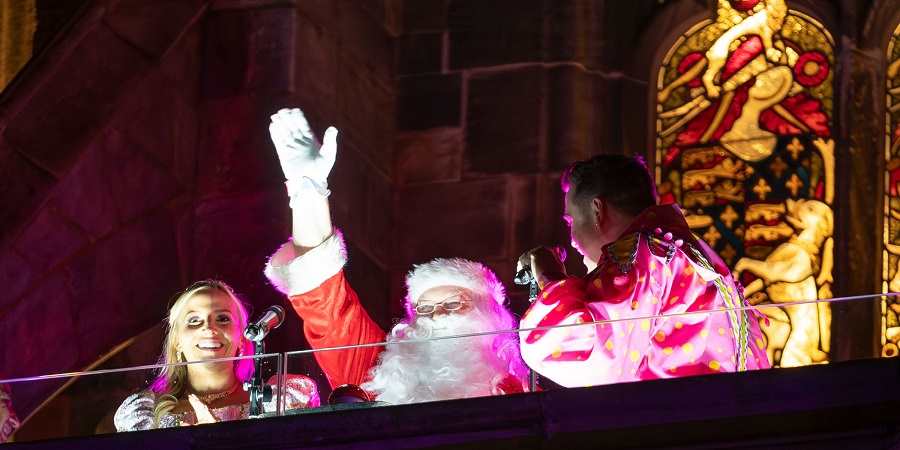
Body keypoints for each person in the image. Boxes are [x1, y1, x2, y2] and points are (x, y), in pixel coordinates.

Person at [264, 108, 529, 404]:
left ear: (491, 314)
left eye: (454, 304)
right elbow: (324, 303)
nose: (438, 316)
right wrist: (307, 190)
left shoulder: (523, 393)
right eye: (425, 309)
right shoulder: (377, 373)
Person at [517, 155, 770, 388]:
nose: (571, 240)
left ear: (598, 210)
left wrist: (548, 278)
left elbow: (593, 355)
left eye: (571, 221)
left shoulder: (643, 253)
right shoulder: (688, 253)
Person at [114, 280, 319, 431]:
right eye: (194, 320)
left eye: (222, 318)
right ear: (177, 341)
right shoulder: (146, 414)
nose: (209, 328)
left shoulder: (278, 401)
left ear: (241, 337)